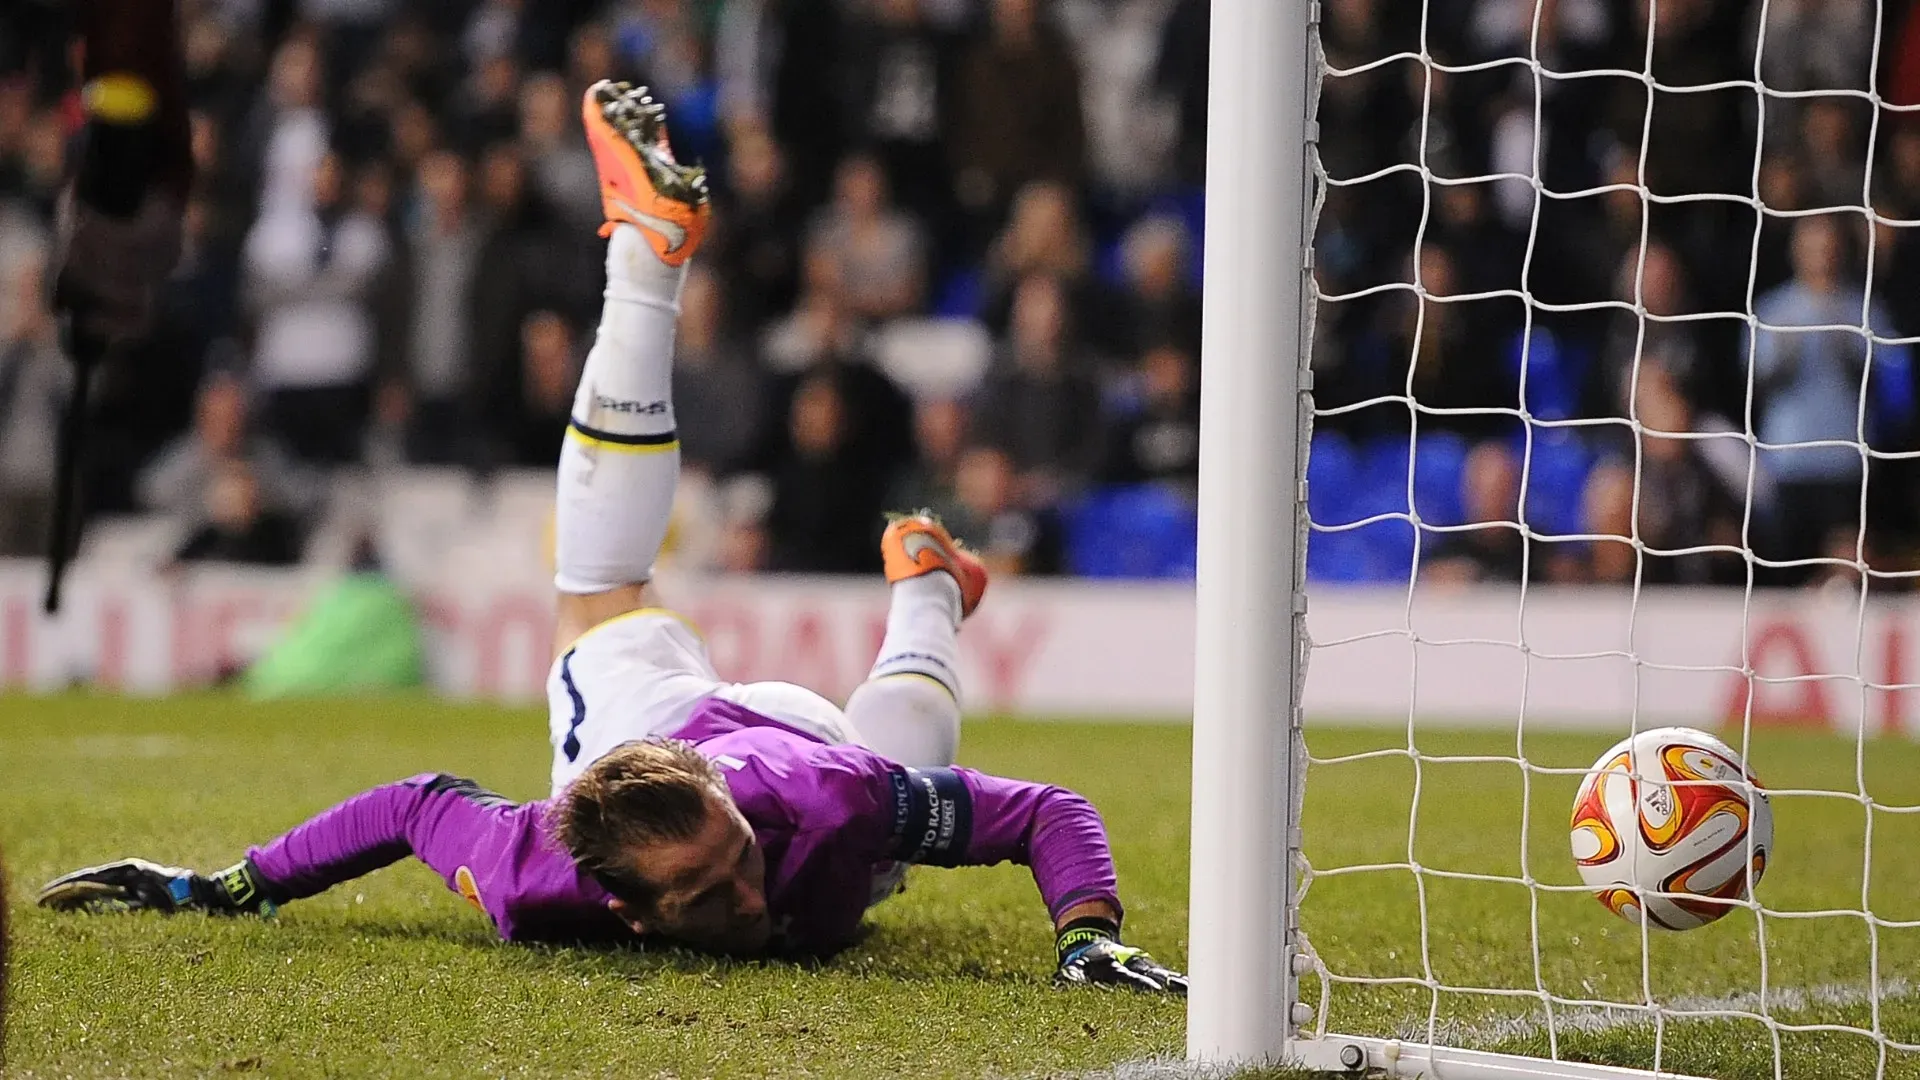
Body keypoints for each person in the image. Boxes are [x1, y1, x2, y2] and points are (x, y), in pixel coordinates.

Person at [39, 84, 1183, 995]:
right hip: (780, 747)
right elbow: (407, 806)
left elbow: (1049, 812)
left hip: (714, 735)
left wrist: (1085, 938)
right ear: (623, 908)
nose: (751, 892)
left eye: (736, 858)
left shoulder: (808, 809)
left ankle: (644, 259)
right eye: (710, 889)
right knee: (897, 746)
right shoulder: (541, 878)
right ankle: (925, 582)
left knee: (597, 593)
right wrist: (233, 888)